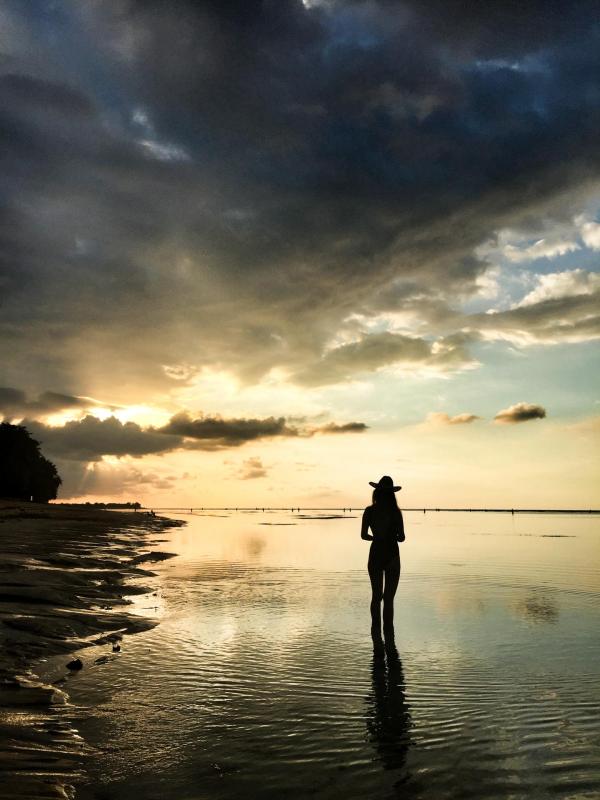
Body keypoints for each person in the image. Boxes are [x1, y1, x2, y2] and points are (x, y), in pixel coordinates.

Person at [361, 476, 405, 650]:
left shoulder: (369, 511)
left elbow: (363, 535)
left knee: (376, 596)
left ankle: (376, 634)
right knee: (388, 599)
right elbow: (402, 537)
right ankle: (388, 633)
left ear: (377, 492)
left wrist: (377, 537)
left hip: (376, 553)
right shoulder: (396, 511)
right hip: (392, 555)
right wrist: (393, 536)